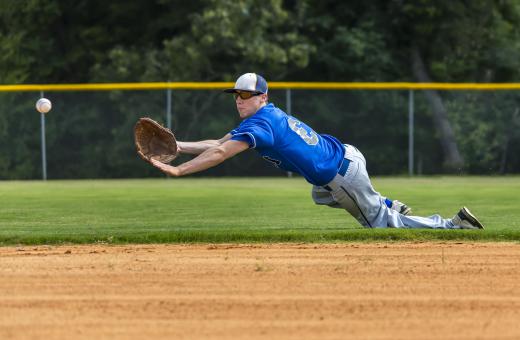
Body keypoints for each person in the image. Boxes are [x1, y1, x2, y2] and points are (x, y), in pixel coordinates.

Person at [149, 73, 484, 229]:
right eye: (236, 94)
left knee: (382, 226)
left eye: (246, 95)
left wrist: (179, 170)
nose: (239, 99)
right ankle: (382, 201)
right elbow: (218, 144)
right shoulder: (264, 118)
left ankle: (453, 226)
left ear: (262, 97)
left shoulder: (260, 125)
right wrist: (180, 147)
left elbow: (221, 154)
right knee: (319, 194)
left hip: (341, 174)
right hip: (345, 157)